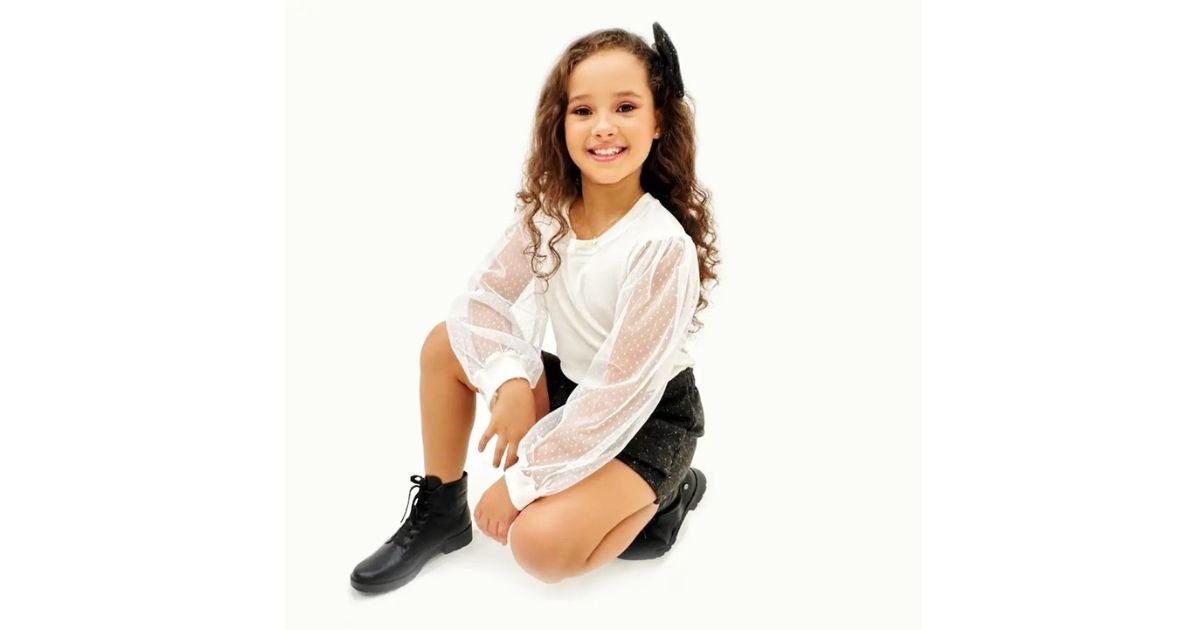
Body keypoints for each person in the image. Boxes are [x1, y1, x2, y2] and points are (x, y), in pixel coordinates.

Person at [350, 22, 721, 593]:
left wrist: (523, 482)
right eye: (583, 110)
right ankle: (443, 513)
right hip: (577, 392)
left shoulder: (660, 246)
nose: (603, 126)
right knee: (444, 344)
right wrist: (512, 382)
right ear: (560, 123)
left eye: (625, 107)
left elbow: (619, 393)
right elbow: (482, 302)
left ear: (658, 122)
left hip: (647, 415)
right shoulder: (549, 216)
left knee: (538, 545)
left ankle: (669, 499)